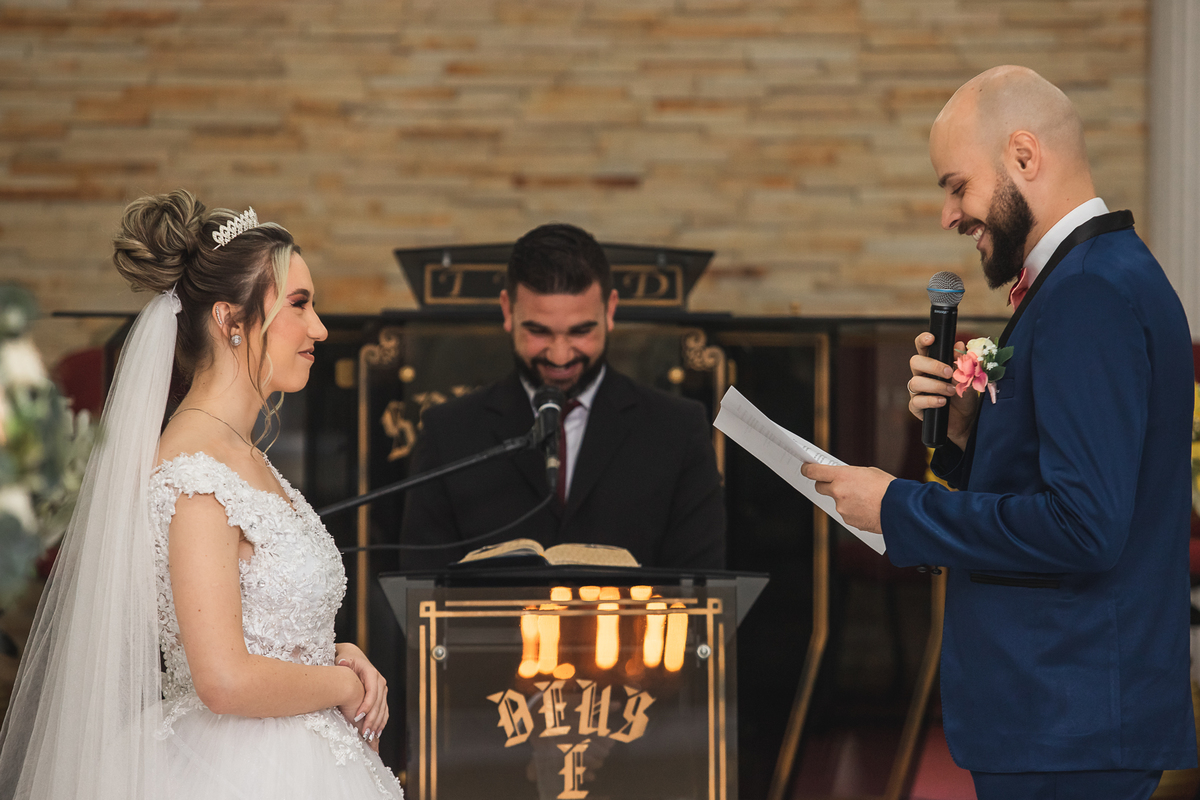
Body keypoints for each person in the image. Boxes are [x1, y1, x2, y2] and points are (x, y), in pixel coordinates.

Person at [801, 66, 1196, 799]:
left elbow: (1084, 527)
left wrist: (897, 506)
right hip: (1067, 714)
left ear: (1023, 155)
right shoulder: (1097, 275)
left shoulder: (1088, 292)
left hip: (1068, 719)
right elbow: (1075, 487)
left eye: (957, 186)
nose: (948, 215)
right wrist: (963, 436)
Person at [0, 190, 405, 799]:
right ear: (229, 321)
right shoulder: (196, 474)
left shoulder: (244, 455)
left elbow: (261, 628)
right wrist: (342, 685)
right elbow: (222, 679)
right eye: (299, 304)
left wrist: (336, 654)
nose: (319, 328)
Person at [399, 222, 725, 570]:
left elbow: (701, 584)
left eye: (580, 331)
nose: (560, 356)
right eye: (538, 331)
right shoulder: (447, 433)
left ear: (610, 310)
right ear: (508, 311)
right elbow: (421, 585)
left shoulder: (678, 429)